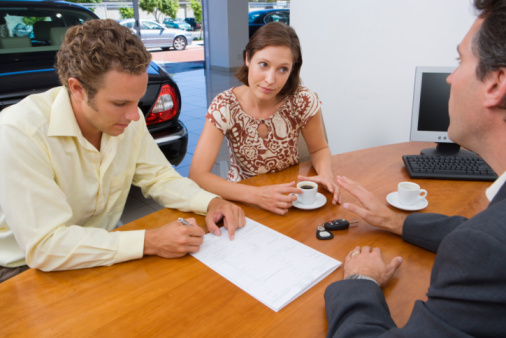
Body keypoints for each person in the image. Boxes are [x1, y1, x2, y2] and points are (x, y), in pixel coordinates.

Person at [0, 19, 245, 283]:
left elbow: (160, 178)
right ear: (77, 89)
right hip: (24, 269)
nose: (134, 116)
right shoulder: (19, 131)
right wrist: (149, 241)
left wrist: (211, 202)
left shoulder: (129, 120)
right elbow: (45, 246)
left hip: (104, 248)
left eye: (137, 101)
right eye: (119, 103)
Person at [324, 0, 506, 336]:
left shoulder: (487, 247)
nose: (450, 78)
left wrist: (360, 281)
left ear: (495, 84)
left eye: (460, 60)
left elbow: (485, 244)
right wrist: (393, 221)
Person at [189, 22, 340, 215]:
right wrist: (257, 195)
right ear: (247, 58)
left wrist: (326, 174)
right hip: (243, 201)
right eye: (264, 64)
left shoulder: (302, 99)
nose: (270, 79)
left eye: (283, 69)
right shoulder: (224, 104)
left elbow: (319, 149)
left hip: (289, 199)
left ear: (292, 70)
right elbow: (197, 175)